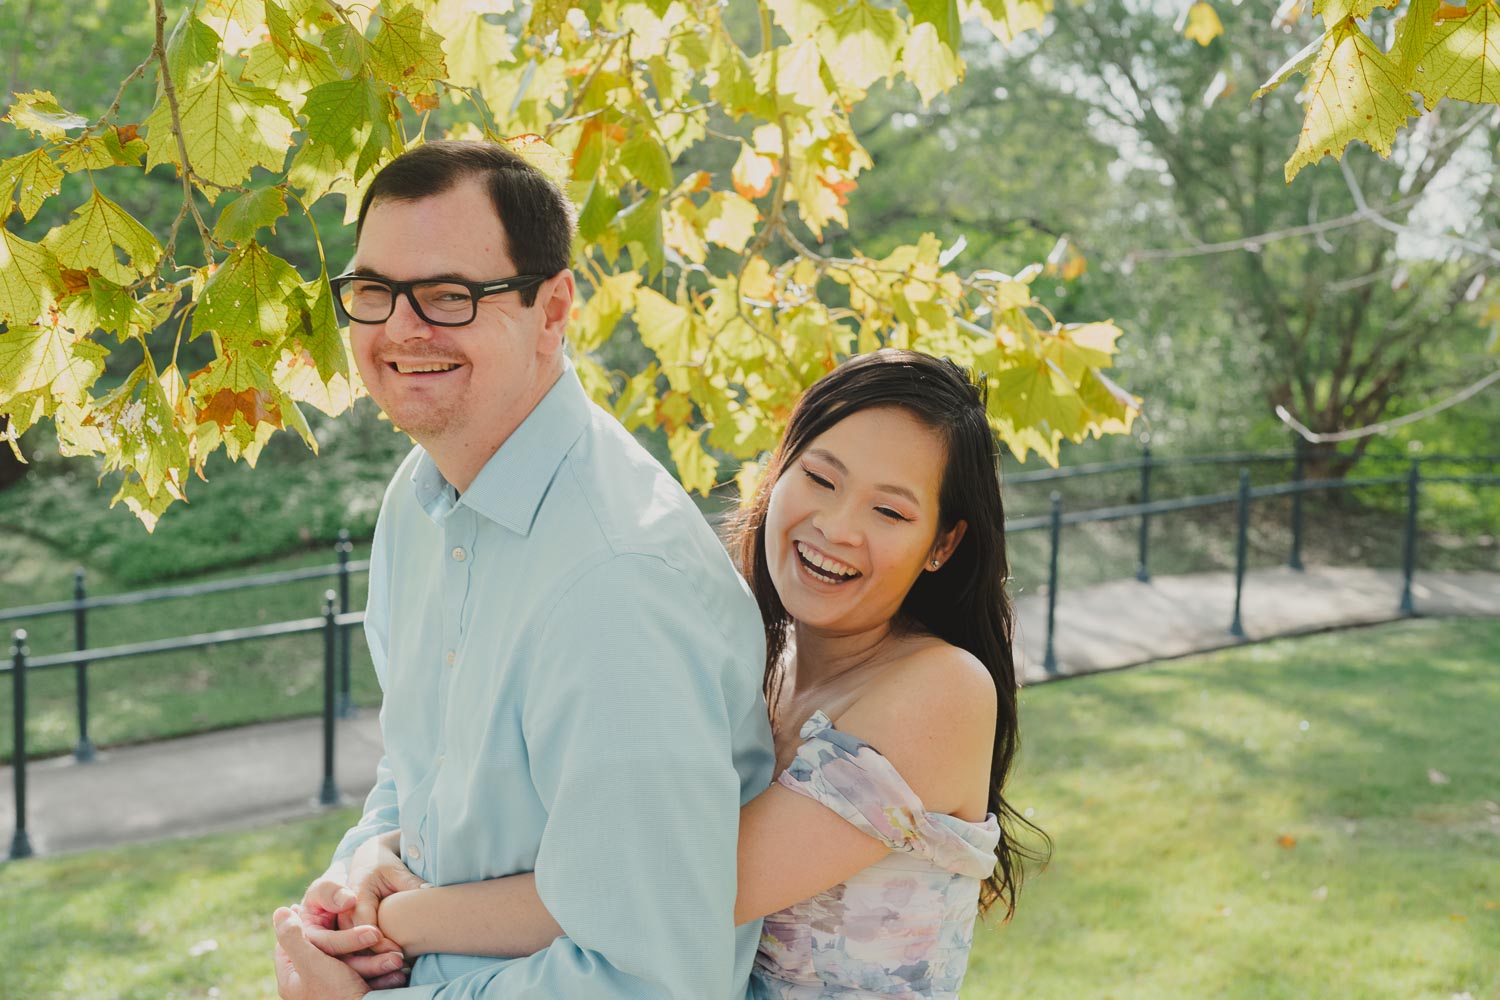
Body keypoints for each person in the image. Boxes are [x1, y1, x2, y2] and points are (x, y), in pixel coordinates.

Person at [332, 350, 1044, 999]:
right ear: (778, 470)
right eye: (821, 478)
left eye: (889, 510)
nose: (837, 526)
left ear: (942, 544)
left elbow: (658, 894)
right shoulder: (750, 663)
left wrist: (396, 919)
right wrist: (380, 848)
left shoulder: (940, 691)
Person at [270, 139, 776, 999]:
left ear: (552, 310)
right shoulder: (418, 500)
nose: (398, 328)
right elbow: (417, 770)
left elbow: (653, 980)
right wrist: (358, 875)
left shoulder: (618, 584)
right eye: (372, 292)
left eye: (449, 295)